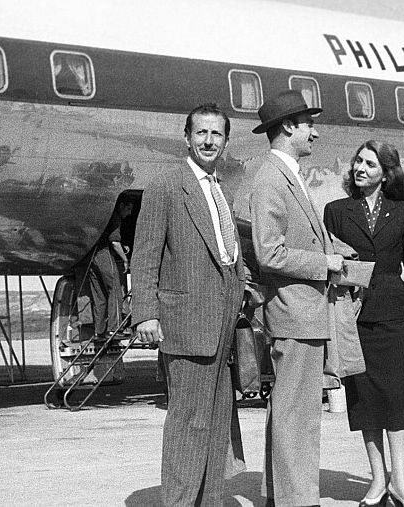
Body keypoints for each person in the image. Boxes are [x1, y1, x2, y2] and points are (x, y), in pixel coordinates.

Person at [130, 103, 247, 505]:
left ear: (226, 141)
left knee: (216, 426)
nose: (208, 140)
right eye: (201, 133)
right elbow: (144, 254)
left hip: (222, 327)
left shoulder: (219, 189)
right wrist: (145, 313)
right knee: (188, 424)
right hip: (187, 326)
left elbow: (227, 255)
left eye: (216, 134)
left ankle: (209, 501)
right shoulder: (166, 185)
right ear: (187, 138)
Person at [323, 141, 404, 507]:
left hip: (393, 313)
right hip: (352, 315)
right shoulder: (336, 211)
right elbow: (328, 264)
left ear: (386, 174)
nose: (360, 168)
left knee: (395, 396)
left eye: (370, 164)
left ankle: (400, 482)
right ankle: (377, 481)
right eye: (358, 160)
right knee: (364, 399)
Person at [248, 90, 346, 506]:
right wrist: (326, 262)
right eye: (309, 124)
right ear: (288, 126)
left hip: (300, 313)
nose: (316, 133)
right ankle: (298, 501)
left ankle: (283, 498)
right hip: (294, 313)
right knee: (298, 419)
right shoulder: (272, 177)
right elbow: (269, 251)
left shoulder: (288, 175)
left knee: (291, 415)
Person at [85, 197, 132, 342]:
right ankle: (114, 329)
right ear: (121, 205)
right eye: (128, 208)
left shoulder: (104, 214)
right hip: (103, 253)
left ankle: (99, 332)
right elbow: (114, 242)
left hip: (91, 255)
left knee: (99, 296)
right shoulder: (115, 216)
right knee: (115, 290)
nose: (129, 213)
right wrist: (125, 260)